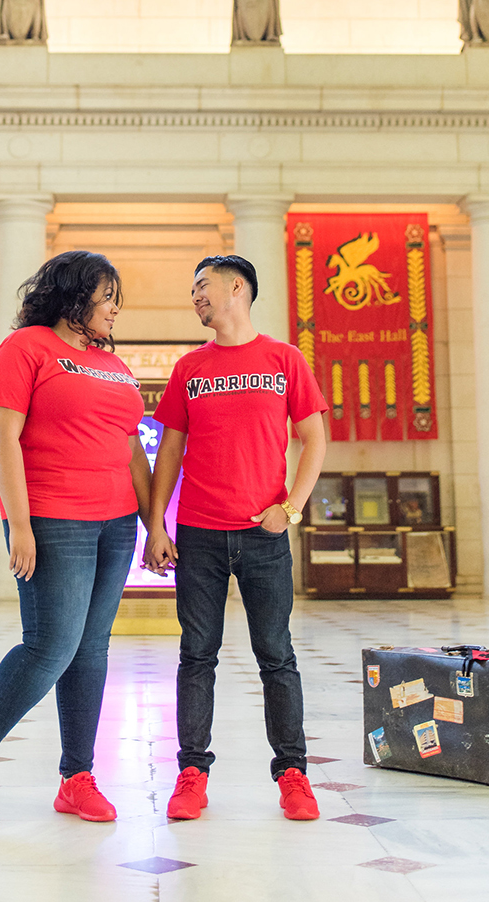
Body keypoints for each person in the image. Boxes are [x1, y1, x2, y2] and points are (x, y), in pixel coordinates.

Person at [0, 251, 150, 825]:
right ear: (74, 296)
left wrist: (155, 523)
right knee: (48, 647)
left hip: (116, 521)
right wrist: (19, 523)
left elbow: (131, 448)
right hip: (54, 517)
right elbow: (2, 435)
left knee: (92, 649)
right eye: (107, 296)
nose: (115, 308)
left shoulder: (113, 364)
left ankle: (77, 779)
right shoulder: (25, 348)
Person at [143, 254, 327, 822]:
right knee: (196, 656)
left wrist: (289, 509)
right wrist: (156, 526)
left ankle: (293, 774)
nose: (195, 296)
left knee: (276, 655)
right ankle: (192, 774)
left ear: (238, 289)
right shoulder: (190, 368)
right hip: (198, 533)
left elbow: (314, 440)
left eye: (203, 286)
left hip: (263, 536)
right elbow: (168, 450)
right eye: (193, 287)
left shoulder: (284, 360)